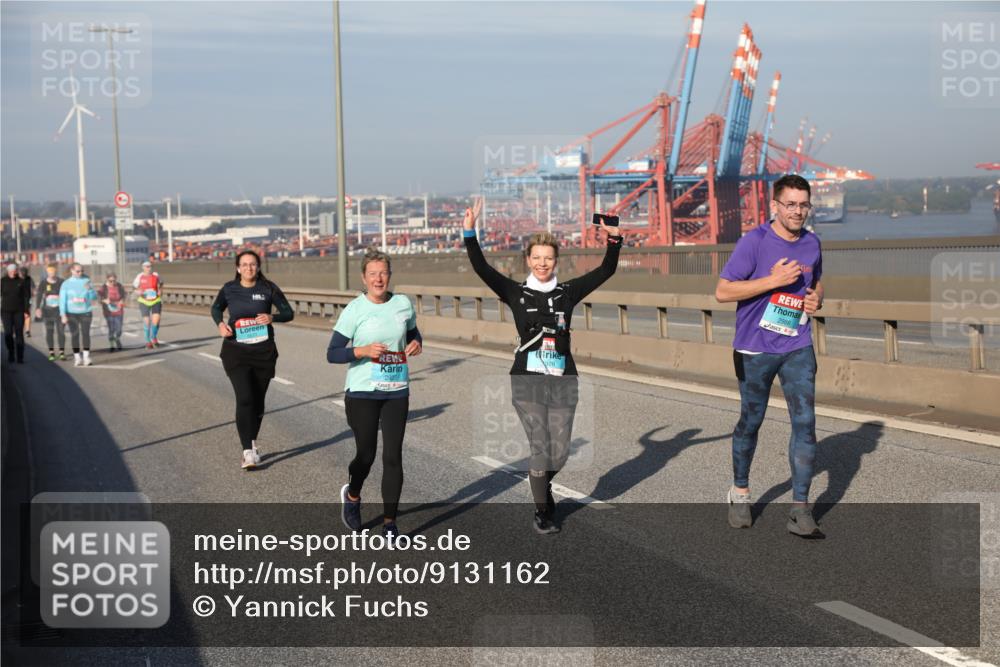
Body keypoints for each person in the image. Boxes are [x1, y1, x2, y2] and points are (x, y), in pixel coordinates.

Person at [463, 197, 622, 534]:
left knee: (559, 451)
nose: (542, 263)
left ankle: (541, 481)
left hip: (563, 378)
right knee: (540, 444)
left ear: (556, 261)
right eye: (536, 258)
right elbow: (482, 268)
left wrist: (613, 238)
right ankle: (542, 511)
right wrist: (469, 231)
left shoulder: (568, 292)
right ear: (528, 260)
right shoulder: (514, 292)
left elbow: (606, 270)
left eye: (548, 258)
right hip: (527, 379)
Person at [715, 173, 825, 539]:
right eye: (790, 204)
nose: (798, 211)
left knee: (805, 423)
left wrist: (816, 298)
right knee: (752, 420)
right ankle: (740, 492)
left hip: (797, 344)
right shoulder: (754, 242)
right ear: (775, 206)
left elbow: (816, 280)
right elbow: (723, 291)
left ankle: (800, 508)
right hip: (754, 348)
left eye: (803, 204)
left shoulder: (812, 243)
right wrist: (772, 282)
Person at [328, 247, 422, 539]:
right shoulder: (355, 309)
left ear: (389, 275)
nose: (379, 279)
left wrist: (417, 343)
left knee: (393, 456)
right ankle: (353, 494)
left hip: (396, 390)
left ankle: (390, 524)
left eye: (383, 273)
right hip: (362, 392)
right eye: (373, 274)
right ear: (364, 278)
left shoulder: (403, 304)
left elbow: (413, 333)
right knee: (366, 455)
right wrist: (362, 351)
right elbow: (332, 353)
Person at [211, 250, 294, 470]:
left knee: (258, 401)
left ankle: (252, 442)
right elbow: (216, 308)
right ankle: (247, 451)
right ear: (238, 268)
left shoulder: (268, 288)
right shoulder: (229, 289)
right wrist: (220, 324)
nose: (249, 268)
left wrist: (272, 317)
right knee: (245, 397)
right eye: (244, 265)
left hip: (264, 353)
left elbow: (288, 312)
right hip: (236, 351)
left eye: (253, 264)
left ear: (258, 267)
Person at [59, 263, 99, 367]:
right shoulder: (66, 284)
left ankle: (86, 357)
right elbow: (62, 300)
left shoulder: (87, 281)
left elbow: (94, 297)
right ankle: (77, 357)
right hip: (71, 313)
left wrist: (90, 289)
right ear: (72, 271)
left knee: (86, 334)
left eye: (82, 271)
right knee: (75, 335)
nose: (80, 273)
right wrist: (63, 314)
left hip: (85, 312)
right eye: (78, 271)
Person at [34, 263, 67, 361]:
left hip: (59, 310)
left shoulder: (61, 282)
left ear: (56, 271)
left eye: (53, 271)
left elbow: (66, 295)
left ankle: (62, 352)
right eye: (49, 272)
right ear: (47, 272)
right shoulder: (43, 283)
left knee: (61, 331)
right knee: (49, 331)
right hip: (48, 311)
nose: (51, 273)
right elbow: (39, 296)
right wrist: (37, 308)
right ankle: (51, 352)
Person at [1, 263, 29, 364]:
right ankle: (11, 353)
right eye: (11, 271)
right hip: (6, 311)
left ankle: (20, 356)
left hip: (19, 311)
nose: (13, 273)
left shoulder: (21, 282)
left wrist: (26, 310)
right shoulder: (3, 281)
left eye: (15, 271)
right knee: (8, 333)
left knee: (19, 334)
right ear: (8, 271)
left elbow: (26, 297)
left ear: (17, 271)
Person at [133, 260, 163, 349]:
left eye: (150, 266)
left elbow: (161, 284)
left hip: (155, 300)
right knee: (147, 321)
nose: (148, 268)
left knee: (156, 321)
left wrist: (160, 290)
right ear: (143, 267)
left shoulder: (156, 275)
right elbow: (134, 288)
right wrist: (138, 292)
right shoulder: (139, 277)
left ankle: (153, 337)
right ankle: (147, 341)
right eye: (146, 266)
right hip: (144, 301)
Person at [97, 272, 127, 352]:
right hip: (108, 311)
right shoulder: (103, 287)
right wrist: (104, 300)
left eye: (114, 281)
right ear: (107, 280)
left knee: (119, 329)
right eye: (110, 281)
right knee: (111, 328)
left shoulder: (119, 286)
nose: (112, 282)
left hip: (119, 310)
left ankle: (117, 338)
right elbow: (98, 297)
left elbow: (124, 294)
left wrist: (122, 300)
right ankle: (112, 344)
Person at [19, 266, 34, 338]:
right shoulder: (17, 279)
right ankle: (22, 330)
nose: (22, 275)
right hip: (18, 299)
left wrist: (33, 293)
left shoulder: (29, 278)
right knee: (23, 315)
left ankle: (27, 330)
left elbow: (33, 288)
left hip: (27, 299)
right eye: (22, 273)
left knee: (27, 314)